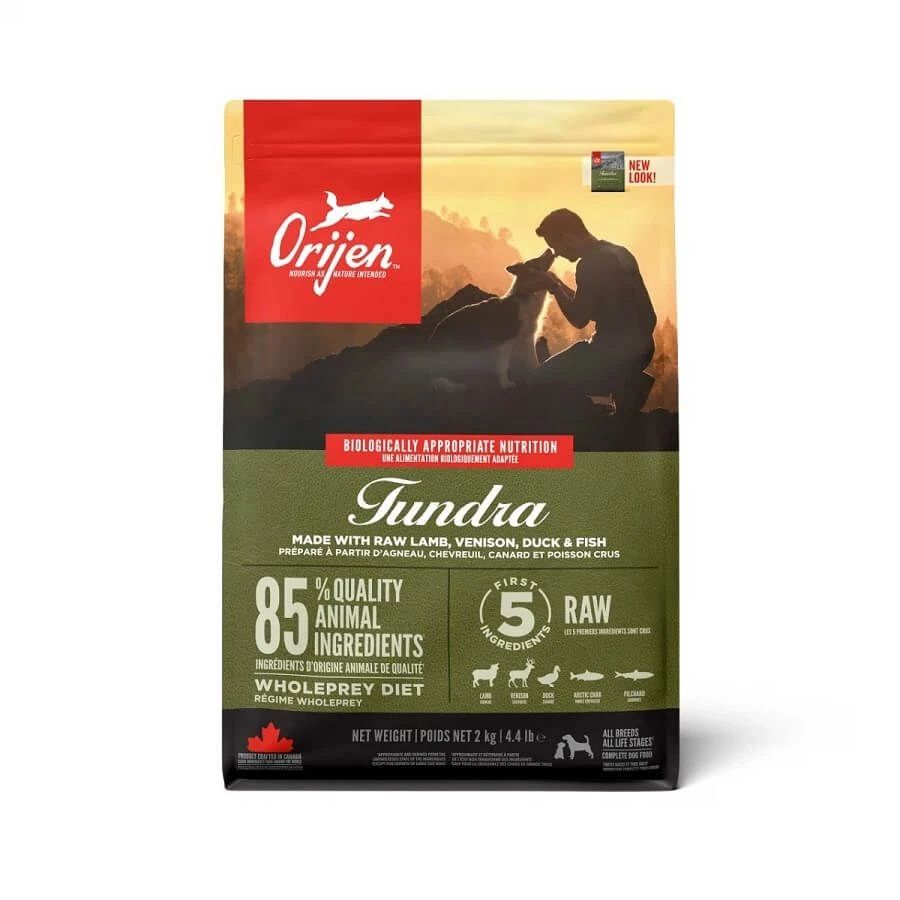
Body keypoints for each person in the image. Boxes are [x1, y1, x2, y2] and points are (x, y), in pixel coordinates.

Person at [532, 208, 657, 412]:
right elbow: (592, 307)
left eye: (556, 247)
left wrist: (553, 287)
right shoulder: (620, 252)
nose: (558, 254)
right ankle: (628, 381)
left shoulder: (590, 264)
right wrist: (556, 282)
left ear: (567, 237)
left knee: (541, 380)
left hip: (608, 353)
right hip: (643, 348)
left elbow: (579, 318)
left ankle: (622, 386)